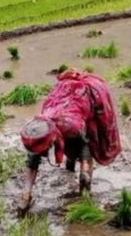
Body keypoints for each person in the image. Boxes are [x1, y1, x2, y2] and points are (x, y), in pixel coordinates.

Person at [17, 69, 121, 216]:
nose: (44, 152)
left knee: (79, 151)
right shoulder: (37, 130)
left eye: (45, 149)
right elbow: (32, 161)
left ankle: (84, 196)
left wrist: (85, 174)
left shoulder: (72, 127)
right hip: (63, 98)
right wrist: (26, 194)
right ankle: (70, 169)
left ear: (52, 139)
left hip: (86, 101)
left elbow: (85, 145)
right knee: (68, 148)